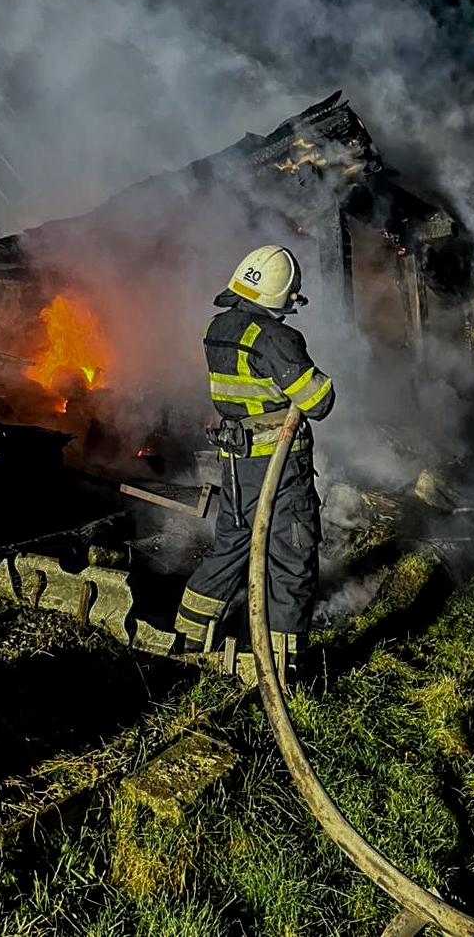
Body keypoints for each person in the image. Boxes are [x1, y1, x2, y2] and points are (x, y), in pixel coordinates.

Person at [174, 244, 335, 680]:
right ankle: (281, 667)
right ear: (282, 296)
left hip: (236, 467)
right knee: (291, 559)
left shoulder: (218, 329)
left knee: (232, 548)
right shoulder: (277, 338)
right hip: (279, 473)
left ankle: (188, 635)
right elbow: (318, 402)